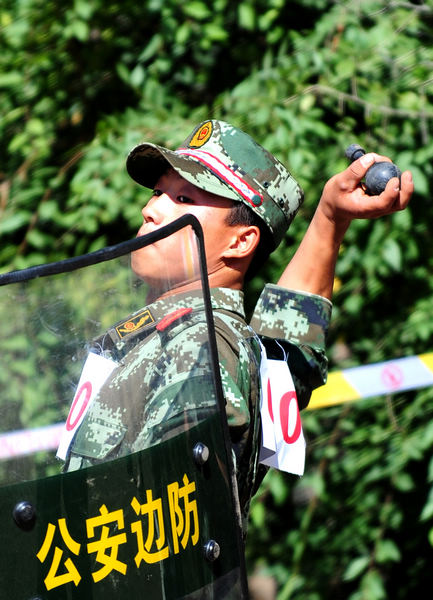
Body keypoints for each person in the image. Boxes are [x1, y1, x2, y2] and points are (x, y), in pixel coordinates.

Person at [63, 120, 413, 528]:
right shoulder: (192, 339)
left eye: (182, 197)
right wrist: (329, 218)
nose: (151, 208)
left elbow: (175, 541)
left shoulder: (197, 347)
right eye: (159, 191)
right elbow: (285, 359)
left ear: (240, 242)